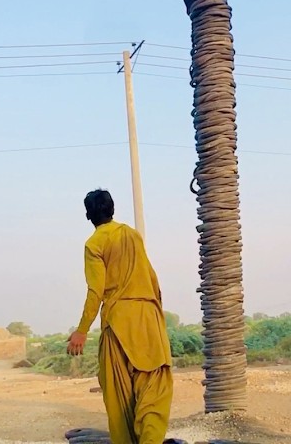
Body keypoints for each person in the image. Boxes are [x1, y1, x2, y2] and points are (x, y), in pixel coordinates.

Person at [67, 189, 174, 444]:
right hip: (148, 319)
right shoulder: (132, 234)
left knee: (120, 399)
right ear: (112, 209)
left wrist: (82, 330)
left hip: (117, 324)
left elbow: (96, 291)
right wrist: (156, 316)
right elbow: (152, 278)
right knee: (154, 390)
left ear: (88, 215)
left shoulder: (94, 244)